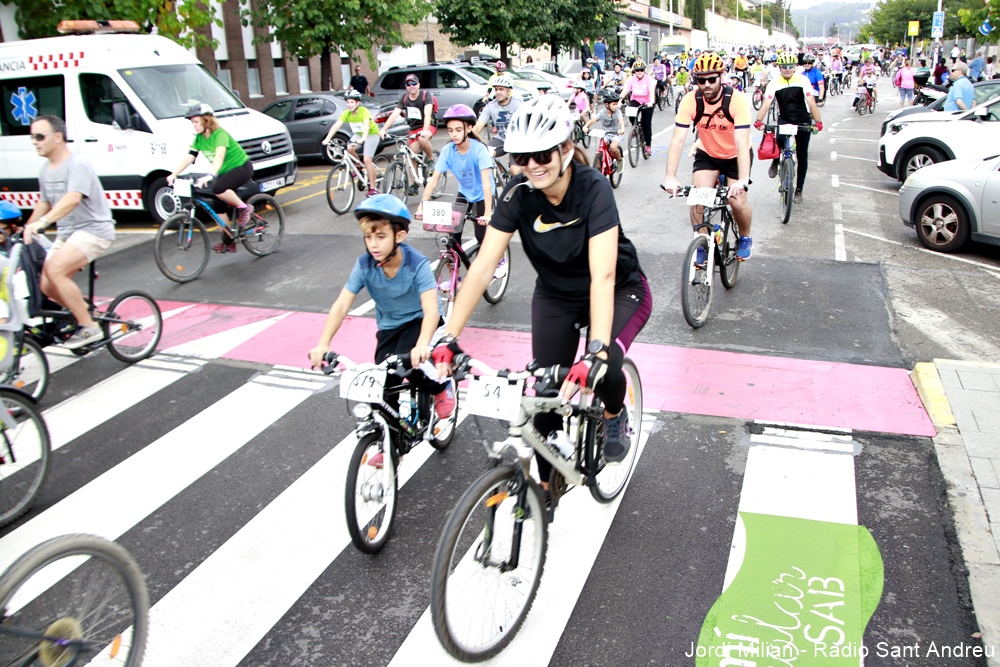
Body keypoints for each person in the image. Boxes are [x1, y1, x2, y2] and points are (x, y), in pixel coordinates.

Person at [431, 95, 652, 483]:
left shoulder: (594, 188)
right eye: (521, 158)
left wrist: (596, 352)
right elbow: (483, 267)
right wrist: (448, 335)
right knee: (546, 392)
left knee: (604, 367)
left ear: (565, 149)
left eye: (542, 155)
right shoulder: (518, 194)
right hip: (556, 295)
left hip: (619, 289)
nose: (532, 166)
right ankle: (549, 488)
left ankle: (615, 415)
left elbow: (602, 276)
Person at [308, 194, 455, 424]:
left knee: (409, 363)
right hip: (389, 327)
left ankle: (442, 387)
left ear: (400, 236)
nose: (373, 244)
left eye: (381, 236)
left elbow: (431, 311)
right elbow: (342, 304)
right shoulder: (364, 265)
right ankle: (391, 442)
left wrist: (422, 345)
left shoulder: (417, 264)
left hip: (421, 322)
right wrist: (323, 343)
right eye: (368, 237)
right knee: (380, 385)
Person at [22, 115, 115, 349]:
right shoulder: (46, 170)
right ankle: (81, 311)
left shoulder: (77, 165)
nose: (35, 141)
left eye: (39, 136)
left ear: (58, 137)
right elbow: (45, 203)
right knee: (46, 285)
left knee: (55, 270)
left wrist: (42, 223)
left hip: (94, 229)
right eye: (32, 137)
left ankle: (89, 327)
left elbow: (73, 198)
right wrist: (26, 228)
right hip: (68, 233)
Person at [663, 52, 754, 262]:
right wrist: (670, 176)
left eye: (712, 79)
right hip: (708, 153)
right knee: (697, 199)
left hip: (735, 154)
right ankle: (701, 242)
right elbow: (677, 140)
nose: (707, 84)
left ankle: (746, 236)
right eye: (701, 80)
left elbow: (741, 142)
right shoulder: (691, 100)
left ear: (721, 77)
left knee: (736, 201)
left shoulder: (736, 100)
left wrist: (742, 180)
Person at [166, 104, 253, 254]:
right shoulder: (199, 139)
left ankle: (245, 208)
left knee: (219, 189)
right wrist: (174, 173)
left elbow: (219, 157)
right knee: (217, 205)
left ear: (206, 120)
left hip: (242, 167)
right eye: (192, 122)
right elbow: (190, 156)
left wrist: (210, 175)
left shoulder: (219, 135)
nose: (193, 125)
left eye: (196, 122)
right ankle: (229, 240)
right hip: (225, 171)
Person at [418, 105, 494, 248]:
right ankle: (454, 263)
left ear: (469, 128)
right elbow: (434, 180)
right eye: (450, 130)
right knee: (452, 232)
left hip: (483, 194)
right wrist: (422, 206)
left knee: (482, 236)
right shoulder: (448, 150)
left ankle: (499, 259)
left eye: (458, 130)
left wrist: (488, 214)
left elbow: (486, 184)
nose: (454, 134)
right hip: (465, 192)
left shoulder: (479, 149)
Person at [754, 52, 823, 206]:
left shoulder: (803, 80)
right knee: (778, 140)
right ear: (779, 67)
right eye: (784, 66)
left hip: (802, 118)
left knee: (802, 155)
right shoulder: (774, 83)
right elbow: (766, 103)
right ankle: (775, 161)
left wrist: (817, 121)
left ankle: (799, 189)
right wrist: (758, 120)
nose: (787, 69)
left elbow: (811, 102)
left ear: (795, 67)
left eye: (790, 66)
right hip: (785, 118)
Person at [379, 73, 435, 194]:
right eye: (408, 84)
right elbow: (394, 114)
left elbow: (427, 115)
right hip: (414, 128)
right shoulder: (405, 98)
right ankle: (414, 185)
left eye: (414, 83)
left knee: (422, 139)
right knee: (411, 156)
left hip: (428, 125)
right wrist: (383, 129)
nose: (411, 86)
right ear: (406, 86)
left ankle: (430, 159)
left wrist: (425, 131)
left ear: (418, 84)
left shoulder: (426, 95)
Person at [322, 89, 380, 198]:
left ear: (358, 103)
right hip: (358, 134)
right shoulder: (346, 114)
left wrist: (363, 138)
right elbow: (336, 125)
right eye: (348, 102)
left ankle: (373, 188)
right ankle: (358, 165)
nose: (349, 105)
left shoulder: (363, 111)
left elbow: (367, 126)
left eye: (352, 102)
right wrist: (327, 138)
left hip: (371, 134)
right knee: (349, 148)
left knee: (367, 159)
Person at [473, 74, 523, 175]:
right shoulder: (490, 106)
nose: (498, 92)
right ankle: (501, 173)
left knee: (515, 171)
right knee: (483, 154)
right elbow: (478, 126)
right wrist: (468, 137)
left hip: (516, 142)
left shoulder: (518, 104)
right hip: (500, 139)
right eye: (496, 89)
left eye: (501, 89)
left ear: (508, 91)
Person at [620, 58, 656, 158]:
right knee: (630, 113)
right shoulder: (631, 79)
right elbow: (625, 90)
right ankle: (635, 128)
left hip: (647, 101)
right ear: (634, 71)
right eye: (637, 70)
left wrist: (651, 102)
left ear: (644, 70)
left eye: (641, 70)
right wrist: (619, 101)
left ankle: (648, 146)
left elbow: (651, 91)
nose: (639, 72)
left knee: (646, 123)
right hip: (636, 99)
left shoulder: (649, 80)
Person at [584, 89, 626, 170]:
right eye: (614, 104)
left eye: (616, 104)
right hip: (605, 135)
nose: (616, 106)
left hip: (615, 135)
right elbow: (593, 120)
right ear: (607, 104)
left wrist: (622, 129)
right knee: (599, 151)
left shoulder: (618, 112)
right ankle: (600, 171)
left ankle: (619, 160)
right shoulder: (602, 112)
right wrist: (586, 126)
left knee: (613, 148)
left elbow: (621, 121)